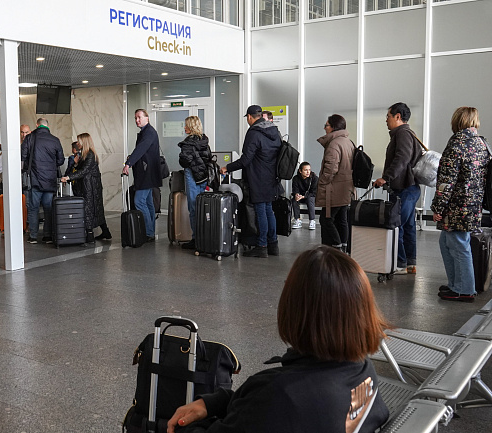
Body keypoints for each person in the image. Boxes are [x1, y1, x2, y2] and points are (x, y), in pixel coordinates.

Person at [167, 246, 390, 433]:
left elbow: (271, 407)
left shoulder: (281, 394)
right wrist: (216, 402)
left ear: (295, 309)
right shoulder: (362, 369)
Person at [431, 107, 490, 303]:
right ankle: (455, 283)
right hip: (473, 205)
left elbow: (446, 182)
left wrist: (438, 208)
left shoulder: (457, 144)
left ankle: (465, 289)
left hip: (456, 207)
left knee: (459, 245)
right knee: (447, 242)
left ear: (457, 121)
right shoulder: (482, 144)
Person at [221, 105, 280, 258]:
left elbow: (245, 160)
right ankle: (273, 244)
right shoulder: (274, 131)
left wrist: (227, 168)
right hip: (272, 177)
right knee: (269, 210)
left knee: (260, 211)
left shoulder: (254, 133)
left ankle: (261, 246)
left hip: (258, 177)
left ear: (249, 117)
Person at [374, 103, 422, 274]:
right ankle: (410, 263)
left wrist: (386, 177)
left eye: (388, 116)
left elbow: (402, 158)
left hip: (405, 188)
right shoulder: (406, 133)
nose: (386, 120)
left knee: (397, 225)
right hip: (409, 188)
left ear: (398, 116)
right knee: (408, 226)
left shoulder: (402, 134)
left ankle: (400, 263)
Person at [60, 133, 111, 243]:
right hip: (90, 187)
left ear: (84, 142)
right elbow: (80, 169)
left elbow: (83, 171)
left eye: (79, 141)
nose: (77, 143)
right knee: (96, 210)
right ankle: (105, 232)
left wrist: (68, 177)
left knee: (88, 210)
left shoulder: (89, 155)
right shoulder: (85, 154)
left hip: (90, 187)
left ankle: (90, 235)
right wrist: (75, 164)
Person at [21, 118, 65, 244]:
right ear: (47, 126)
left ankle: (33, 236)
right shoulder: (55, 140)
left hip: (34, 180)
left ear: (37, 125)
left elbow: (22, 156)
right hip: (50, 180)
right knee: (48, 208)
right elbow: (60, 160)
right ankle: (47, 236)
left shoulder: (30, 138)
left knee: (33, 208)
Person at [122, 109, 162, 242]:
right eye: (135, 118)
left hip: (147, 173)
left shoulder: (149, 132)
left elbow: (141, 149)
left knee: (139, 201)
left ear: (147, 118)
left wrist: (128, 164)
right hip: (148, 173)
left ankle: (148, 232)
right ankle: (150, 231)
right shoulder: (146, 132)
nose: (137, 120)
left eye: (139, 117)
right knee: (148, 202)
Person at [315, 114, 354, 251]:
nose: (324, 128)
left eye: (326, 125)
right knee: (342, 219)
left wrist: (322, 182)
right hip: (346, 188)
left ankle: (335, 248)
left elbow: (331, 168)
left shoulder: (334, 144)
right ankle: (343, 247)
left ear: (333, 127)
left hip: (334, 189)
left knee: (326, 219)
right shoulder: (348, 142)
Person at [178, 116, 211, 250]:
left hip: (192, 175)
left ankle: (196, 239)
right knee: (202, 207)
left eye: (186, 125)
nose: (184, 127)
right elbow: (208, 157)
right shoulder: (204, 140)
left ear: (191, 127)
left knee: (193, 208)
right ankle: (205, 237)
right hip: (203, 176)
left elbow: (184, 161)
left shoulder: (188, 143)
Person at [291, 161, 318, 230]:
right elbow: (295, 189)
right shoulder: (296, 178)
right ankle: (297, 220)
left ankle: (312, 221)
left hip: (311, 196)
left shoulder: (314, 178)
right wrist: (296, 195)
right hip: (300, 196)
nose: (308, 172)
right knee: (294, 200)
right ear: (300, 171)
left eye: (309, 170)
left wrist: (304, 196)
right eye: (305, 170)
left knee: (310, 199)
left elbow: (314, 192)